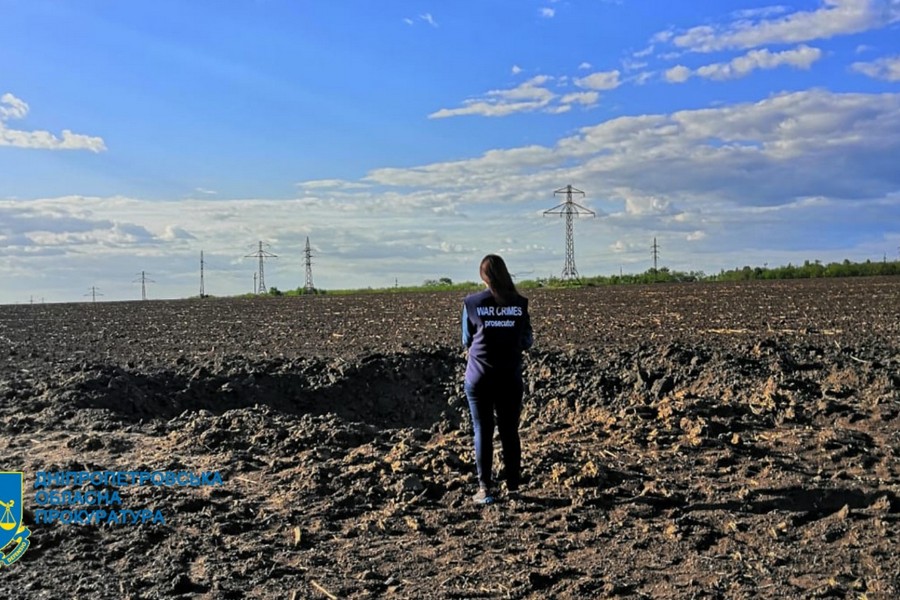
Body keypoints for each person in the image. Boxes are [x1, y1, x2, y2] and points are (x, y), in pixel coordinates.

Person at [462, 254, 533, 505]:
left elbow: (466, 339)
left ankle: (485, 489)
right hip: (509, 377)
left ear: (483, 277)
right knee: (509, 431)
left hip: (479, 377)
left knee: (482, 429)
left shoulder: (471, 303)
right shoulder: (520, 303)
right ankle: (513, 488)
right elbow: (527, 341)